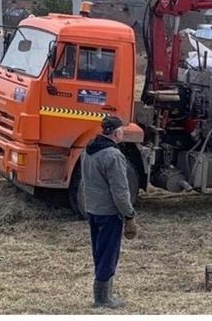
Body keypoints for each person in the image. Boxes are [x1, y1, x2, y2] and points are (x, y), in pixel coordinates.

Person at [81, 115, 137, 308]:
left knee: (99, 251)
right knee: (108, 253)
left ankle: (102, 293)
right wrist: (129, 214)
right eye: (122, 129)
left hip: (92, 209)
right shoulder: (113, 156)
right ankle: (103, 298)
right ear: (116, 132)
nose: (123, 132)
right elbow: (120, 191)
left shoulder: (88, 150)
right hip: (109, 213)